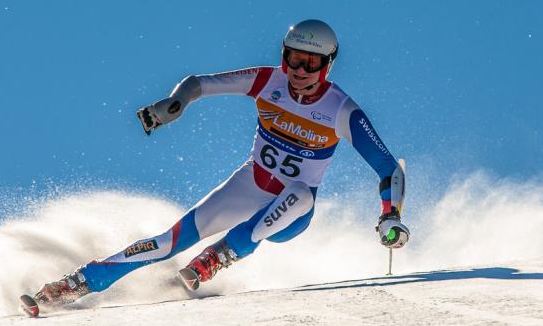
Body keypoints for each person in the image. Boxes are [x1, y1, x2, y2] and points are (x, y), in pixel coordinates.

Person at [26, 19, 409, 310]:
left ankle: (219, 256)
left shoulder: (340, 109)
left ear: (327, 65)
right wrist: (173, 104)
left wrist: (389, 215)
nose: (300, 71)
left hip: (293, 209)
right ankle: (76, 284)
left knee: (301, 195)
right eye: (294, 59)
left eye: (310, 63)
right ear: (283, 55)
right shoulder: (266, 80)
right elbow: (199, 83)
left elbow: (388, 168)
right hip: (249, 186)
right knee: (168, 241)